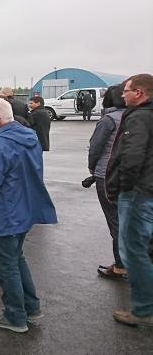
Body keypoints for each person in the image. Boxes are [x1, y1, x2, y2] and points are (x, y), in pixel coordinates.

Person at [0, 98, 58, 333]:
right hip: (23, 208)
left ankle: (15, 316)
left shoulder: (0, 143)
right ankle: (31, 308)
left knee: (6, 265)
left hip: (3, 211)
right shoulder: (26, 137)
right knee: (16, 260)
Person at [106, 73, 153, 328]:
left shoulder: (139, 118)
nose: (122, 94)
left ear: (139, 93)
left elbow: (132, 157)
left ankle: (143, 309)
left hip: (138, 193)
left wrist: (122, 188)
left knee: (134, 252)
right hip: (146, 190)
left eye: (126, 90)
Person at [88, 85, 126, 279]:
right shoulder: (133, 117)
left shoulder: (108, 120)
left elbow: (95, 148)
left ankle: (121, 265)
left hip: (106, 174)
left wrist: (92, 169)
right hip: (128, 175)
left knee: (115, 221)